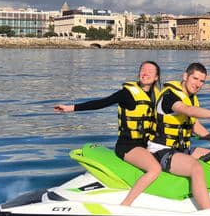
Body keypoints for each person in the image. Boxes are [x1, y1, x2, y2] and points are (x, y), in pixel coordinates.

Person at [53, 61, 163, 207]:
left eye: (150, 71)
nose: (145, 73)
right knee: (155, 169)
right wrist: (70, 108)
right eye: (143, 69)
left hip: (148, 145)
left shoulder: (157, 96)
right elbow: (102, 103)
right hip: (128, 146)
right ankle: (126, 205)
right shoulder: (127, 93)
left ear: (156, 77)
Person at [149, 62, 210, 210]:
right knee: (195, 167)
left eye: (202, 81)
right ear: (185, 76)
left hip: (182, 150)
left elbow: (194, 125)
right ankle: (208, 214)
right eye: (195, 79)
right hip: (161, 151)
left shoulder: (191, 97)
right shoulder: (170, 96)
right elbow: (187, 110)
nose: (198, 84)